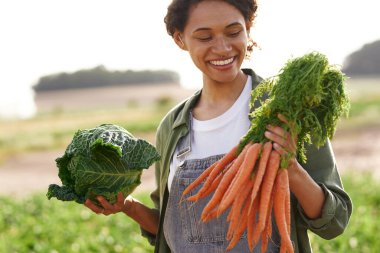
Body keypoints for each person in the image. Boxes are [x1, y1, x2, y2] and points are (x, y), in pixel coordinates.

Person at [85, 0, 352, 252]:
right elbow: (172, 229)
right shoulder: (172, 127)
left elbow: (335, 221)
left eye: (233, 32)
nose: (223, 48)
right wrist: (129, 207)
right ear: (180, 39)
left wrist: (292, 169)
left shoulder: (287, 110)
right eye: (205, 37)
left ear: (248, 28)